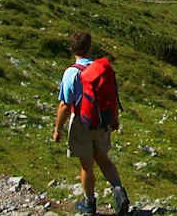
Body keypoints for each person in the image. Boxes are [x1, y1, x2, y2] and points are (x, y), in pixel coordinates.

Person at [51, 31, 131, 216]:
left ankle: (89, 205)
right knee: (104, 159)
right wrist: (114, 120)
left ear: (72, 49)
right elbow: (112, 97)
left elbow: (65, 105)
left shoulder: (71, 72)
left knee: (87, 166)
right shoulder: (101, 69)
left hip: (81, 122)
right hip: (102, 121)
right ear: (89, 47)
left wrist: (58, 129)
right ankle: (119, 192)